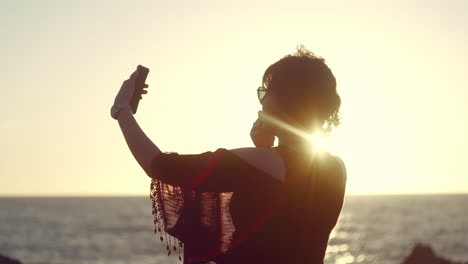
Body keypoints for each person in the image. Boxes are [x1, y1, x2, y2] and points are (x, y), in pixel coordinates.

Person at [112, 45, 347, 264]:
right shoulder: (336, 168)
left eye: (266, 93)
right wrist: (263, 149)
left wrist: (122, 109)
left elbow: (161, 166)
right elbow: (282, 221)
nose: (262, 102)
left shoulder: (265, 162)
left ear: (286, 101)